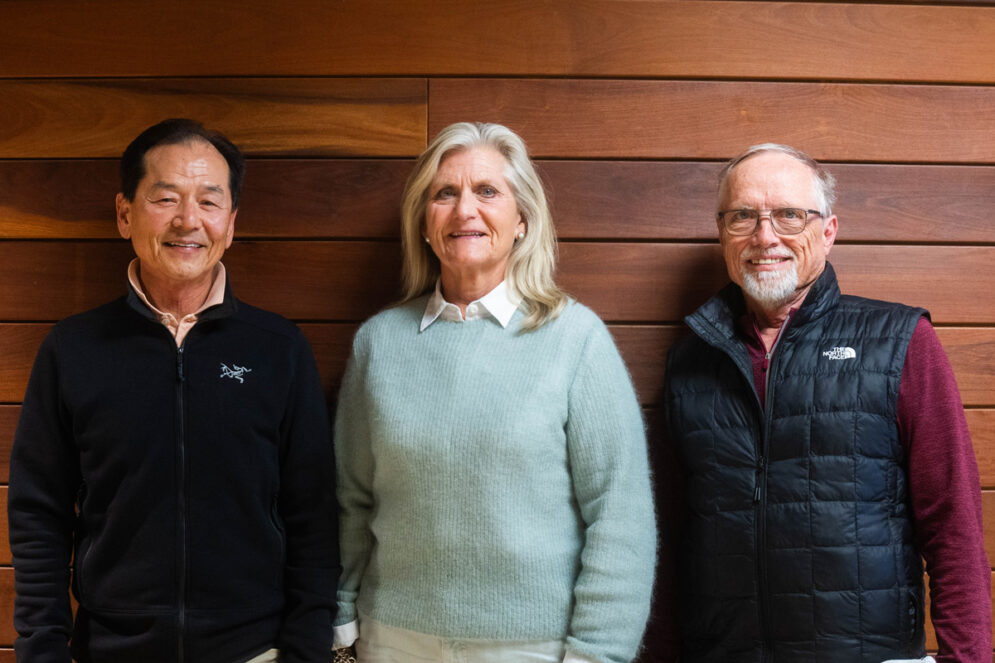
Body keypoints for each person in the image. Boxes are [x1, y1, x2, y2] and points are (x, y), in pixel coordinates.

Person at [8, 118, 339, 663]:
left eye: (209, 202)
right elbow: (38, 511)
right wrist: (42, 648)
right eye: (165, 198)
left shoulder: (278, 349)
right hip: (110, 650)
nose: (189, 220)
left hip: (255, 651)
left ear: (230, 223)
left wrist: (306, 648)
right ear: (125, 214)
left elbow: (315, 514)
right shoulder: (73, 349)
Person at [332, 122, 656, 663]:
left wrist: (599, 653)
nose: (465, 210)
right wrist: (342, 616)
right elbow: (352, 499)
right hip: (392, 640)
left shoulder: (576, 340)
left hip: (534, 649)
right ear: (424, 222)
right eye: (445, 194)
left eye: (487, 191)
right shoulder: (378, 344)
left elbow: (620, 513)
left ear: (522, 219)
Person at [662, 143, 991, 662]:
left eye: (789, 215)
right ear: (722, 233)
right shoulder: (688, 364)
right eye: (743, 217)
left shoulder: (901, 341)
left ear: (828, 231)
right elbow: (669, 535)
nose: (765, 236)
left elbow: (953, 521)